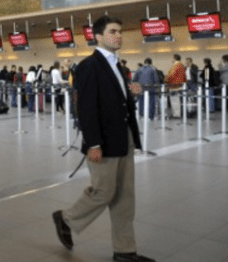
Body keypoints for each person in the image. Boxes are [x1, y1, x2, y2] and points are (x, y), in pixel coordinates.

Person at [52, 16, 154, 262]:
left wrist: (132, 93)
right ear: (98, 36)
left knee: (125, 197)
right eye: (113, 31)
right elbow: (86, 108)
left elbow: (115, 100)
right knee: (103, 191)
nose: (118, 35)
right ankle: (66, 218)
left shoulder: (118, 66)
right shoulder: (89, 66)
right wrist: (93, 143)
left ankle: (124, 251)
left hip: (124, 136)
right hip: (104, 141)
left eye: (119, 31)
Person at [164, 54, 186, 118]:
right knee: (176, 100)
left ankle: (176, 114)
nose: (172, 59)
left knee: (174, 100)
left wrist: (165, 80)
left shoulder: (176, 65)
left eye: (172, 58)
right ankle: (176, 113)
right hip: (179, 84)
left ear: (174, 58)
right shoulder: (181, 65)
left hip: (174, 85)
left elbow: (171, 75)